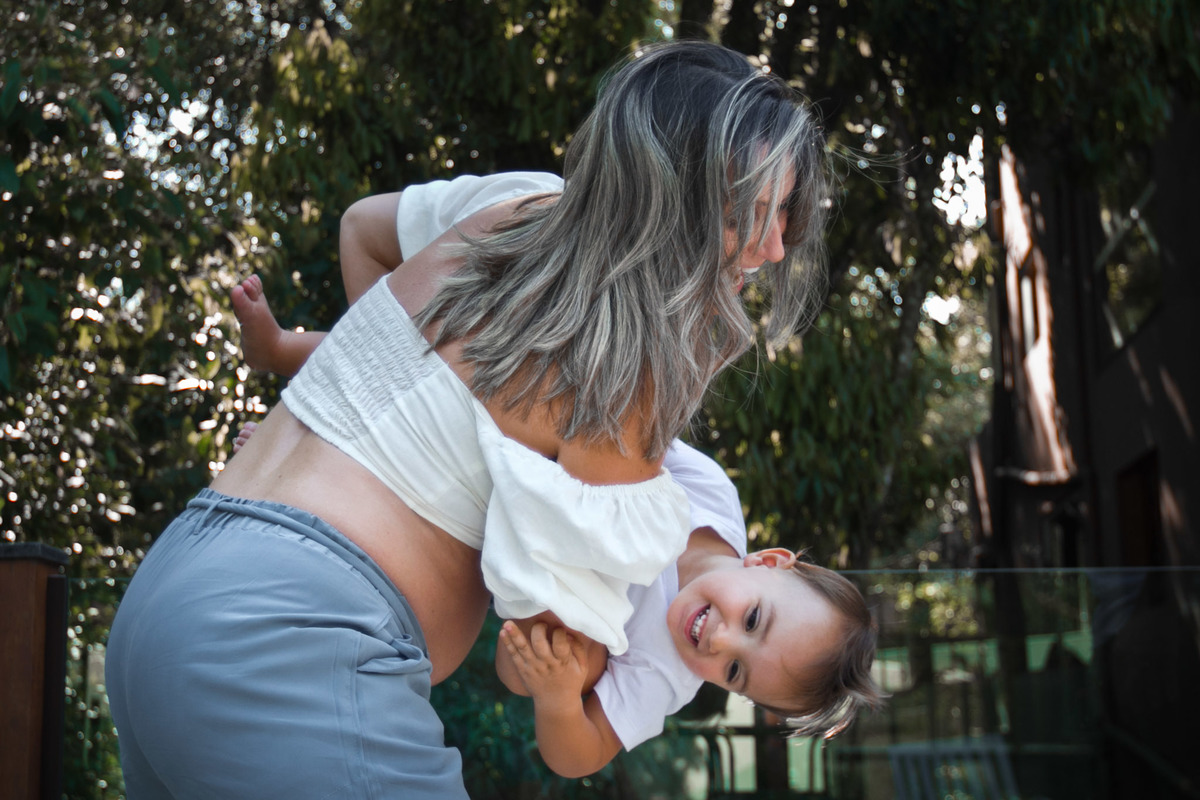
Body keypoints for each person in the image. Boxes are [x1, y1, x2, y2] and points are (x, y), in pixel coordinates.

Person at [106, 39, 832, 798]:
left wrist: (386, 430)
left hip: (178, 578)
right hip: (294, 644)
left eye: (782, 215)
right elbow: (549, 646)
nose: (776, 247)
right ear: (680, 196)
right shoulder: (625, 372)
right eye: (755, 212)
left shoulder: (517, 203)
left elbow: (364, 228)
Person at [231, 296, 882, 779]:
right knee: (485, 371)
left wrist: (558, 695)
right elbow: (623, 429)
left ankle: (302, 464)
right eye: (755, 618)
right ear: (769, 561)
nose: (720, 639)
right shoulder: (709, 494)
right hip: (528, 474)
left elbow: (578, 756)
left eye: (736, 672)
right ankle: (290, 366)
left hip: (519, 587)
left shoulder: (668, 674)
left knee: (583, 652)